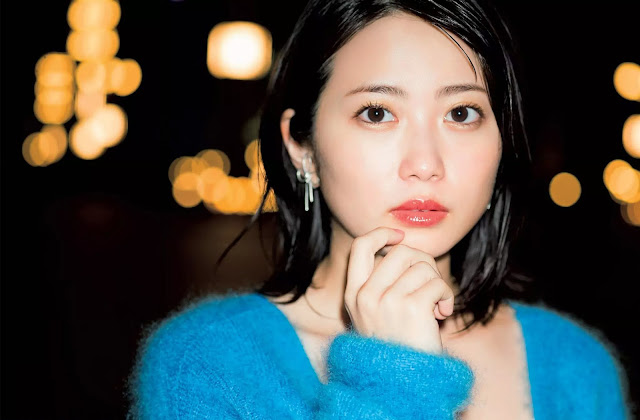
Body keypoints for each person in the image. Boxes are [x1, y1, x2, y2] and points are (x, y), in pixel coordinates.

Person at [128, 0, 632, 418]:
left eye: (461, 113)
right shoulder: (208, 365)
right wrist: (396, 378)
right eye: (377, 113)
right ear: (301, 146)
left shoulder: (575, 366)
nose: (425, 164)